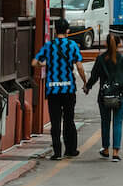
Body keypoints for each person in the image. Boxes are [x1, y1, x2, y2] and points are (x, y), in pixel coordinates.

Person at [32, 18, 86, 161]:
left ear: (55, 30)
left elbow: (34, 62)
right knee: (69, 119)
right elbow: (79, 66)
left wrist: (44, 64)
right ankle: (71, 150)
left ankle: (57, 152)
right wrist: (85, 82)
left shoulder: (49, 46)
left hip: (53, 89)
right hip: (68, 89)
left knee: (55, 121)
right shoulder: (72, 45)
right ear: (67, 30)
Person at [84, 32, 123, 162]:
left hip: (104, 96)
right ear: (119, 44)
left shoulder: (100, 59)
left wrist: (87, 87)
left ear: (106, 43)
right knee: (117, 122)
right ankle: (115, 152)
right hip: (120, 95)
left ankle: (105, 149)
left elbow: (94, 77)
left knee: (105, 122)